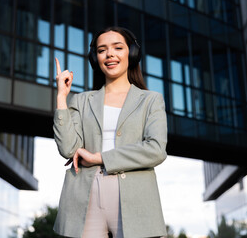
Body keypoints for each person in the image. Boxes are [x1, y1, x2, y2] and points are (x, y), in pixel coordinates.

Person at [53, 26, 168, 238]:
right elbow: (68, 148)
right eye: (101, 50)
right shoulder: (81, 100)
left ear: (131, 53)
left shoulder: (151, 100)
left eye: (117, 47)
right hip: (85, 196)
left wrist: (100, 157)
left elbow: (156, 150)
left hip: (135, 198)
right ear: (95, 58)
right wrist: (62, 97)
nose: (109, 54)